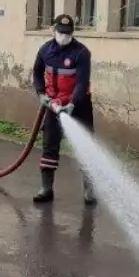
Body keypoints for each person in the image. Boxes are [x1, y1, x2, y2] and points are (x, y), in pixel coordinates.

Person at [31, 14, 96, 206]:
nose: (64, 36)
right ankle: (46, 189)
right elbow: (36, 73)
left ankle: (89, 191)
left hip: (79, 106)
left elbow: (82, 82)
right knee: (50, 145)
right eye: (60, 32)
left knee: (86, 147)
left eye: (68, 33)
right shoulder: (45, 50)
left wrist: (72, 104)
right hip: (53, 105)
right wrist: (41, 94)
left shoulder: (81, 53)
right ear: (53, 30)